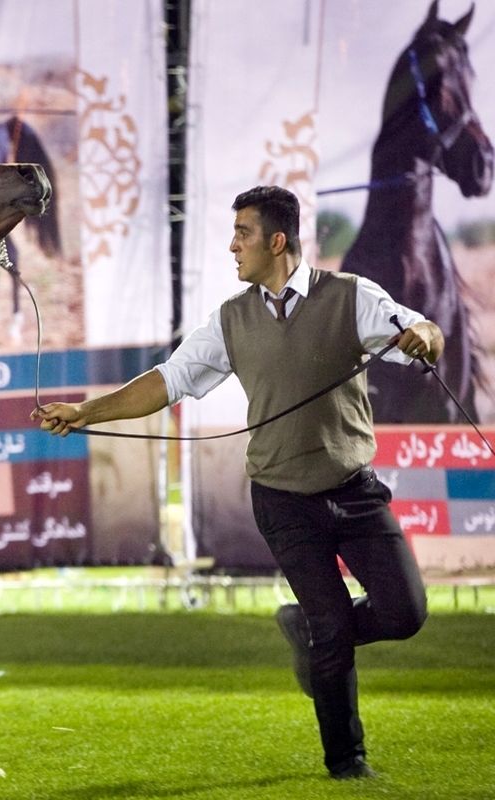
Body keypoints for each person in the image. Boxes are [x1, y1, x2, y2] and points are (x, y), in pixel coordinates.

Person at [33, 185, 434, 780]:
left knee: (406, 613)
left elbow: (422, 331)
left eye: (242, 233)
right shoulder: (231, 319)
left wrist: (426, 336)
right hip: (281, 497)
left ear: (277, 240)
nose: (232, 245)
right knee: (333, 627)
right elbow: (167, 381)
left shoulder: (352, 297)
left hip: (355, 488)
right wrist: (86, 412)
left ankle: (312, 629)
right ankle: (347, 762)